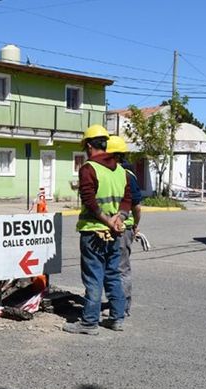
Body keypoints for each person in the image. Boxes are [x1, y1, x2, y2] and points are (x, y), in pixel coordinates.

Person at [64, 124, 131, 335]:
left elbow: (89, 201)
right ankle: (117, 318)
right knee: (113, 274)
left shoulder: (89, 168)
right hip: (114, 232)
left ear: (89, 146)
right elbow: (127, 200)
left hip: (93, 232)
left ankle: (89, 322)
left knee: (94, 277)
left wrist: (107, 220)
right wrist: (119, 218)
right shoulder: (120, 170)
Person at [107, 135, 142, 316]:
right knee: (119, 268)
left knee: (113, 269)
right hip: (121, 228)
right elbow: (136, 207)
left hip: (110, 228)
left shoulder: (108, 173)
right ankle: (120, 306)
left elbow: (136, 206)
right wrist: (135, 225)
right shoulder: (127, 175)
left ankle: (119, 306)